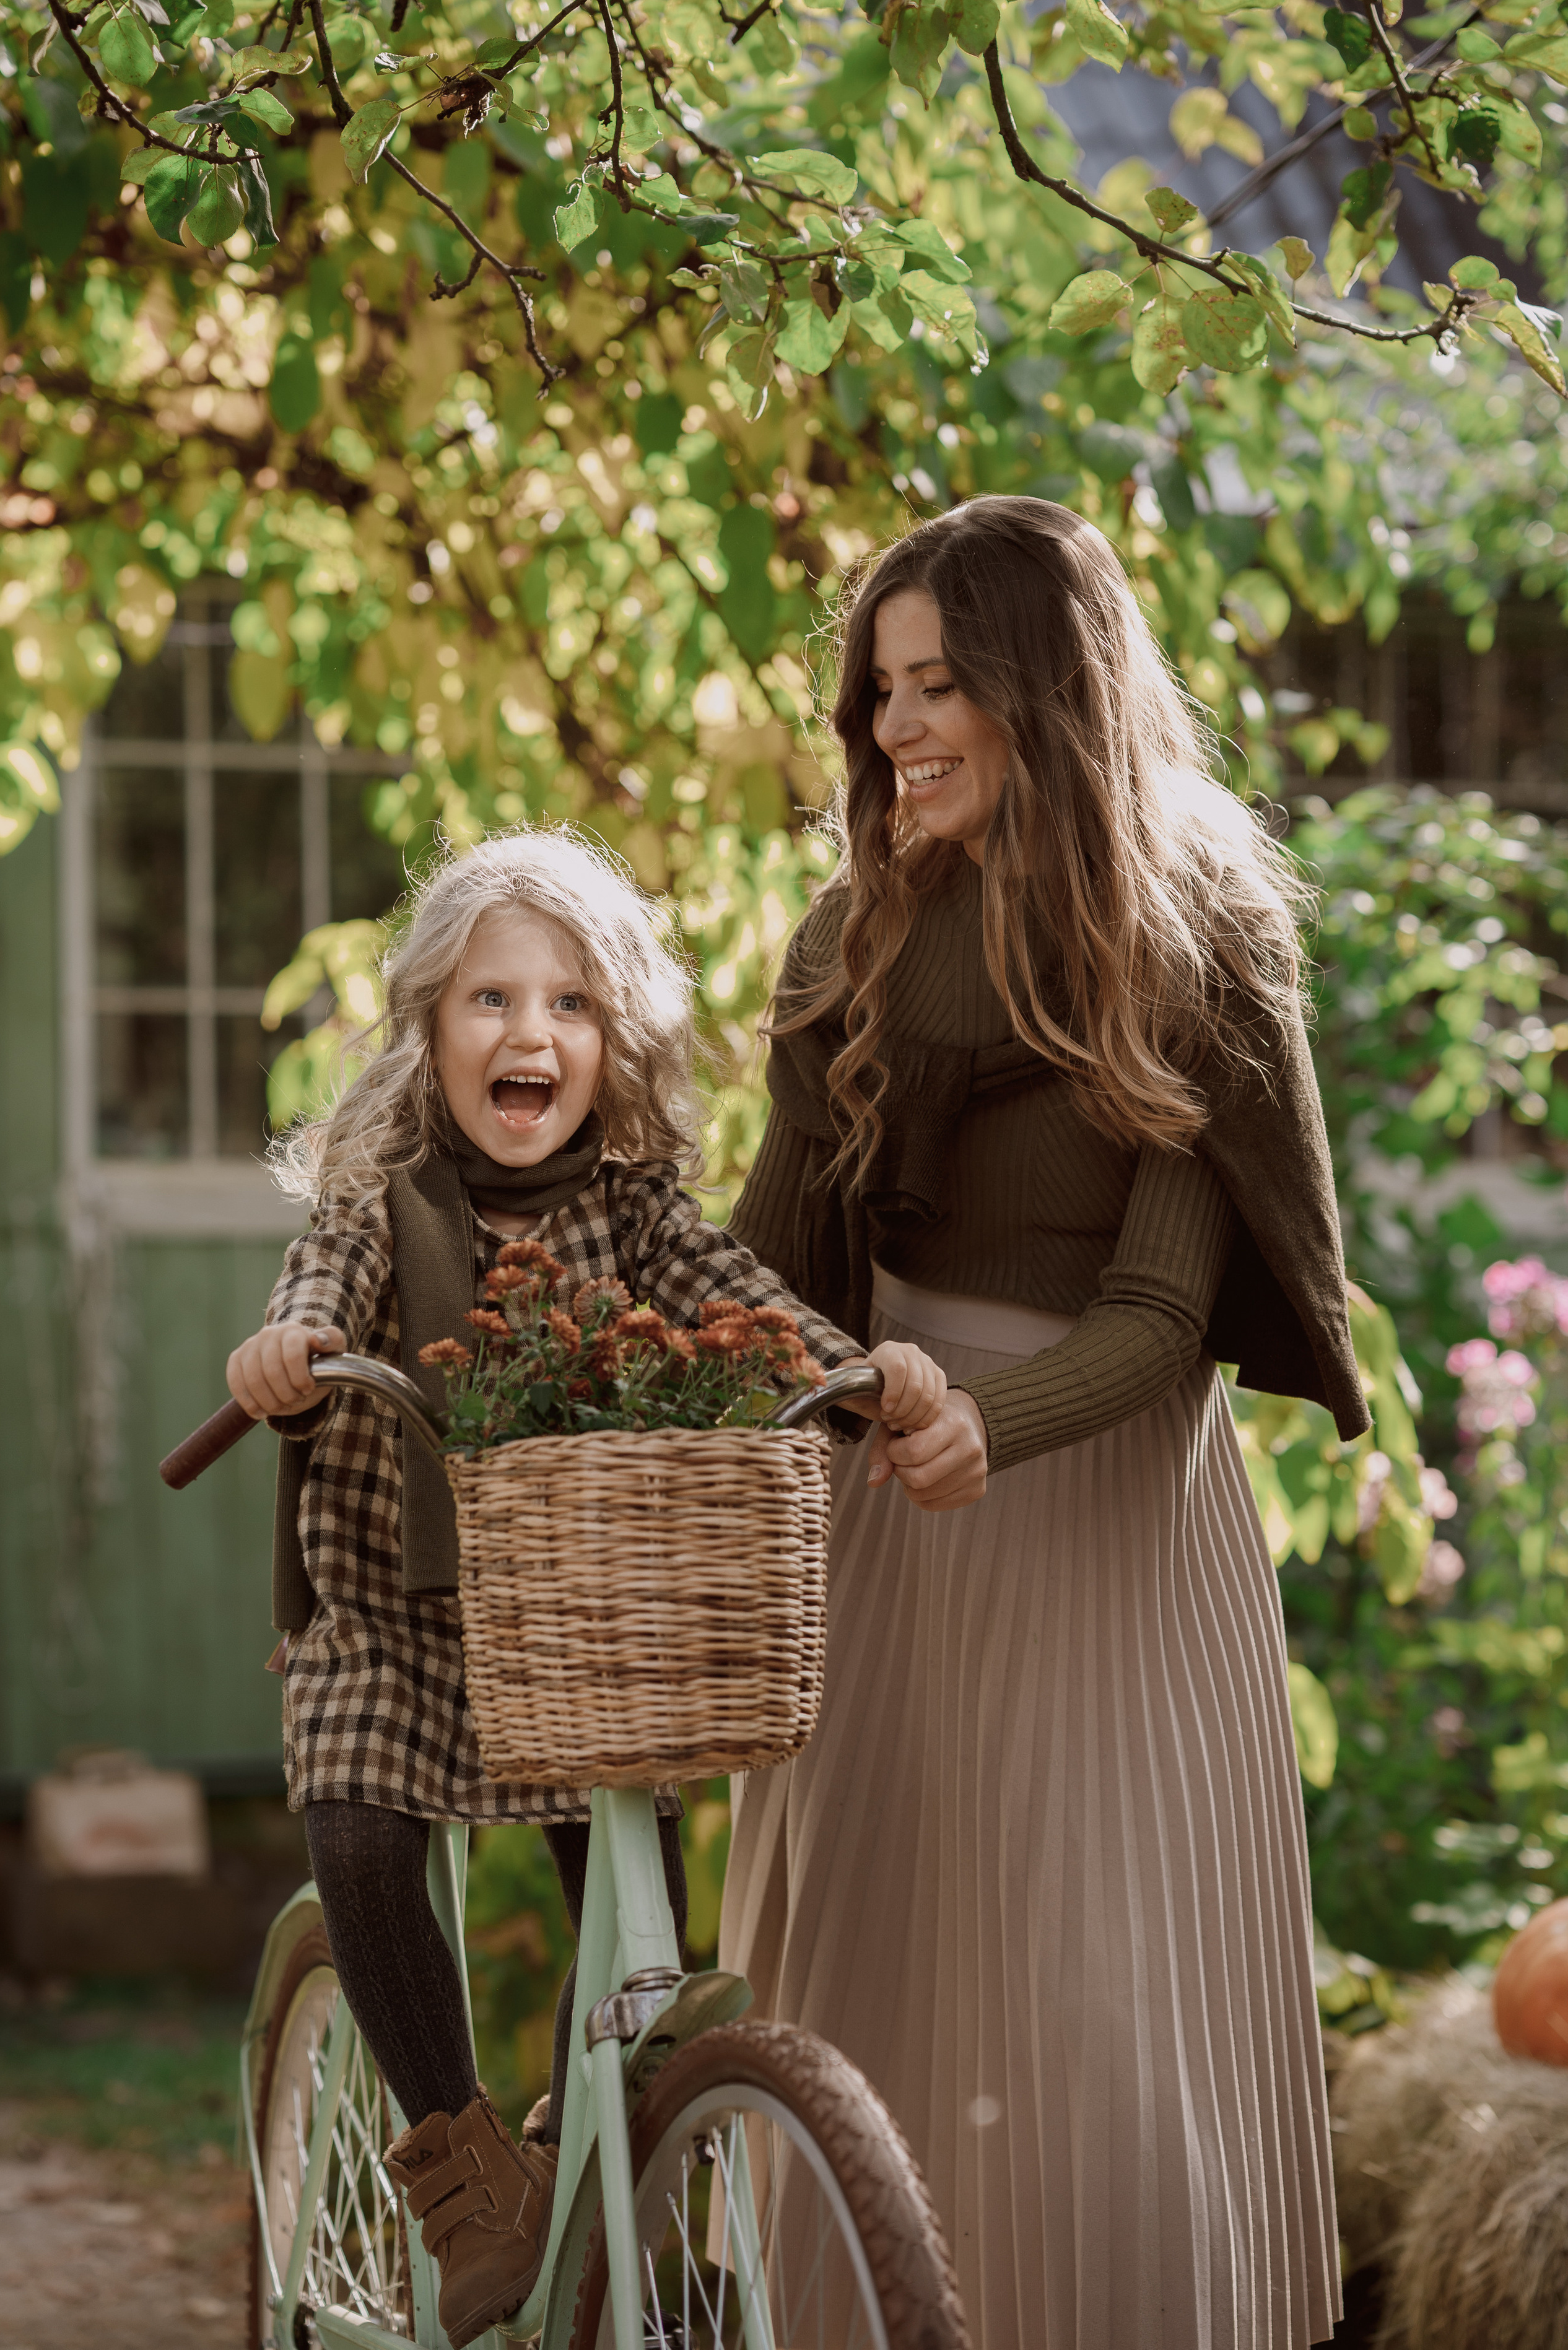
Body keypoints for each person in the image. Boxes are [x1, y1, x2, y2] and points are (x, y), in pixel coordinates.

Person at [719, 495, 1370, 2350]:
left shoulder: (1196, 935)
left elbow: (1162, 1314)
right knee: (863, 1979)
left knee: (1093, 2008)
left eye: (938, 685)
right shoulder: (853, 933)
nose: (897, 729)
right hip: (874, 1503)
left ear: (1048, 689)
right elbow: (768, 1258)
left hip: (1099, 1524)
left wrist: (989, 1427)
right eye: (880, 693)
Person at [226, 825, 946, 2350]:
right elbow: (318, 1290)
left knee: (634, 1884)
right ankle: (462, 2179)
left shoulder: (632, 1214)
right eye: (489, 1000)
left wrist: (861, 1376)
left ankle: (589, 2154)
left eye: (568, 1004)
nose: (528, 1032)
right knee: (355, 1824)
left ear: (612, 1044)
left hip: (571, 1616)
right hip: (392, 1616)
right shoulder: (380, 1204)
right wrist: (288, 1353)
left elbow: (749, 1305)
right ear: (431, 1031)